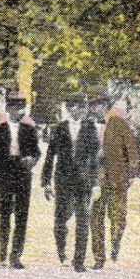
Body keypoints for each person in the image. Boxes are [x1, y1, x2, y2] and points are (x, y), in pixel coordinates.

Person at [42, 101, 102, 270]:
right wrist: (46, 182)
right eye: (76, 106)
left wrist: (95, 182)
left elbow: (95, 158)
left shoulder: (90, 128)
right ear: (69, 109)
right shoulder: (59, 128)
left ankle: (79, 260)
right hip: (63, 180)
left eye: (83, 107)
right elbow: (49, 157)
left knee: (83, 220)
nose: (80, 110)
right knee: (60, 219)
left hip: (84, 182)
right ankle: (62, 252)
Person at [0, 98, 40, 269]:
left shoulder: (29, 130)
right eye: (13, 108)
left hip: (23, 173)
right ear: (8, 109)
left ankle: (15, 255)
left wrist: (32, 159)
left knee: (22, 215)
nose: (16, 111)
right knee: (5, 213)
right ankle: (3, 251)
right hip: (5, 173)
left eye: (19, 108)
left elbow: (37, 152)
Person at [91, 99, 140, 268]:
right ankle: (99, 257)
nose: (94, 109)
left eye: (97, 105)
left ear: (105, 106)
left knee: (118, 217)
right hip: (97, 179)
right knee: (95, 217)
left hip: (117, 177)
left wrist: (132, 172)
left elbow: (131, 148)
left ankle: (115, 242)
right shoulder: (91, 125)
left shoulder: (118, 123)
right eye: (92, 106)